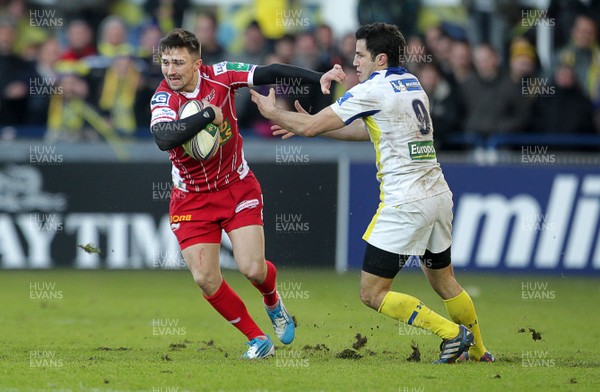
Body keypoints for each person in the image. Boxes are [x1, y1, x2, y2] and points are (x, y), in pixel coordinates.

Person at [250, 22, 495, 364]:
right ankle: (481, 352)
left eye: (360, 55)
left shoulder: (372, 89)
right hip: (438, 194)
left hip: (405, 202)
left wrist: (273, 112)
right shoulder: (411, 83)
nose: (355, 63)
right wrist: (316, 128)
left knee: (372, 292)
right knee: (444, 281)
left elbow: (309, 126)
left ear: (380, 58)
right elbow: (370, 133)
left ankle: (453, 335)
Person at [149, 28, 344, 359]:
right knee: (206, 279)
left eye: (178, 63)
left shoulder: (222, 76)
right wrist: (208, 115)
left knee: (252, 269)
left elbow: (271, 72)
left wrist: (319, 76)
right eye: (165, 62)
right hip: (191, 200)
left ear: (197, 63)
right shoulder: (163, 98)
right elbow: (163, 138)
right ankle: (257, 338)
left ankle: (273, 301)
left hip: (236, 187)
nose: (170, 70)